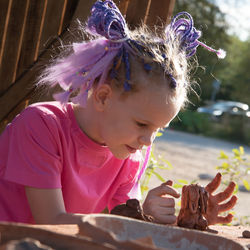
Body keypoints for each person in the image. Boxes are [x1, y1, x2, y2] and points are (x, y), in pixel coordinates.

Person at [0, 0, 236, 225]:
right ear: (103, 97)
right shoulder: (41, 126)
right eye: (142, 124)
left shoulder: (128, 149)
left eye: (157, 130)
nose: (148, 140)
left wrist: (178, 218)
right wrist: (139, 218)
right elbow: (52, 222)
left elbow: (123, 223)